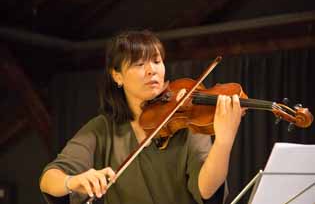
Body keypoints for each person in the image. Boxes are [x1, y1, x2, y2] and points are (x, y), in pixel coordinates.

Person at [39, 30, 242, 204]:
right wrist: (72, 181)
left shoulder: (184, 120)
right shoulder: (102, 129)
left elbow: (207, 192)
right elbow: (50, 178)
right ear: (117, 76)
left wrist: (223, 142)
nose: (151, 70)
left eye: (156, 61)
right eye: (139, 64)